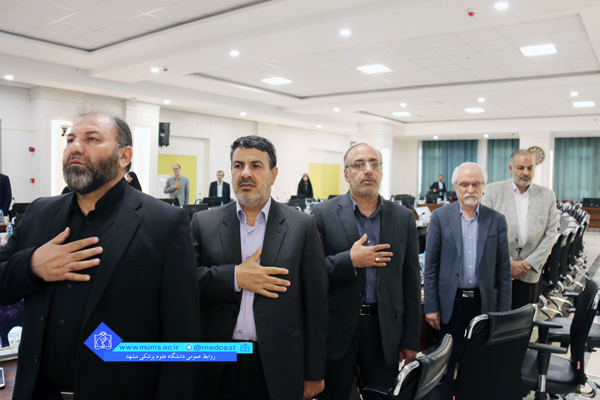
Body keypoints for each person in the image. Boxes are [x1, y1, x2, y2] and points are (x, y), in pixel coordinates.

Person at [0, 113, 201, 400]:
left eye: (91, 139)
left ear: (124, 156)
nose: (75, 147)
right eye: (70, 139)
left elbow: (181, 331)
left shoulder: (163, 222)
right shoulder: (38, 213)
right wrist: (32, 266)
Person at [191, 135, 328, 400]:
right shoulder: (203, 223)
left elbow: (316, 305)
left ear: (273, 174)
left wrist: (314, 372)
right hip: (217, 364)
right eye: (238, 165)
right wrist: (234, 277)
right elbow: (185, 285)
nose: (245, 173)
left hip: (278, 366)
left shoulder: (302, 227)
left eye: (256, 165)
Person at [311, 143, 421, 400]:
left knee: (382, 395)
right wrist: (349, 260)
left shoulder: (403, 217)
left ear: (382, 171)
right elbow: (312, 273)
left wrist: (411, 339)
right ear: (346, 173)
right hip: (338, 329)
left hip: (385, 331)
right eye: (359, 164)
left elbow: (411, 281)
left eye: (374, 164)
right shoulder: (323, 214)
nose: (368, 170)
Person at [424, 162, 511, 388]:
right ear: (455, 187)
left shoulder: (497, 220)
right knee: (445, 364)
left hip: (484, 303)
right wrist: (431, 306)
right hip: (450, 304)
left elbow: (503, 271)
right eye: (464, 184)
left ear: (483, 186)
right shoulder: (440, 217)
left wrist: (503, 314)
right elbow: (431, 267)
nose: (470, 190)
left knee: (480, 363)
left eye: (476, 184)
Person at [481, 149, 558, 309]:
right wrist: (508, 262)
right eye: (520, 168)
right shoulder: (492, 191)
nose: (526, 172)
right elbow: (484, 231)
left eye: (530, 168)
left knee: (522, 320)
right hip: (498, 271)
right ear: (511, 168)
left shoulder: (547, 195)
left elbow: (551, 234)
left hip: (529, 272)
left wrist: (529, 263)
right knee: (497, 319)